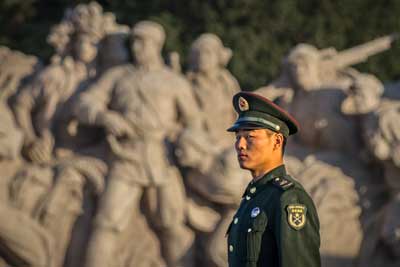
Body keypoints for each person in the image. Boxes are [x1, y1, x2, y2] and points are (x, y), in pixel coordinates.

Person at [225, 91, 321, 267]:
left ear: (277, 142)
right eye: (238, 137)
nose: (240, 145)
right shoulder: (254, 196)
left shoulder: (289, 198)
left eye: (250, 137)